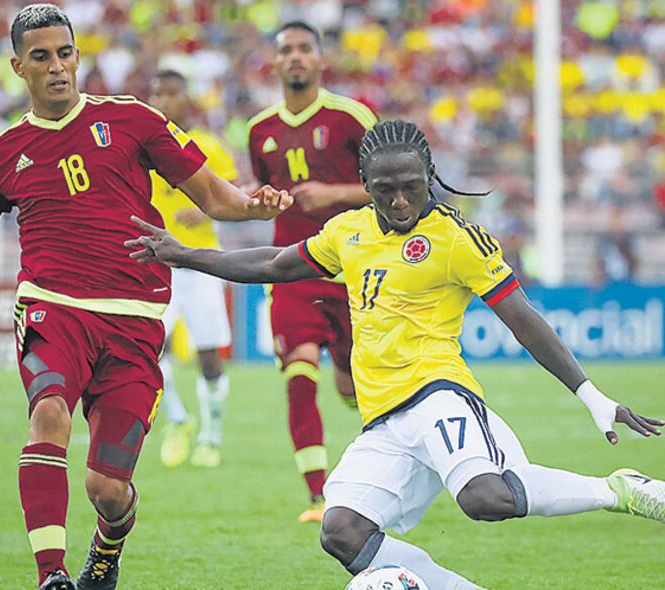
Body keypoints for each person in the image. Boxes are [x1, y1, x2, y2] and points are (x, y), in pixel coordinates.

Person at [127, 119, 665, 589]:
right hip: (383, 419)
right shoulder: (349, 231)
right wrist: (184, 254)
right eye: (385, 190)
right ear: (365, 186)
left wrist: (591, 395)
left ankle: (616, 489)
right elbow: (273, 264)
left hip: (437, 393)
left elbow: (523, 319)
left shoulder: (458, 238)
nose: (400, 201)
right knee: (342, 531)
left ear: (429, 177)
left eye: (411, 187)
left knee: (485, 500)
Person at [0, 5, 291, 590]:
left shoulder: (133, 120)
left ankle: (106, 547)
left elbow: (214, 199)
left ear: (78, 55)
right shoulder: (1, 154)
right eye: (41, 57)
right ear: (19, 66)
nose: (57, 67)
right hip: (51, 306)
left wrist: (254, 203)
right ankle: (52, 575)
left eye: (65, 53)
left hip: (135, 317)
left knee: (108, 490)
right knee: (47, 416)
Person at [246, 20, 377, 522]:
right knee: (299, 373)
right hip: (292, 269)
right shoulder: (260, 130)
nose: (296, 57)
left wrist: (333, 194)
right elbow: (265, 190)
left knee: (350, 388)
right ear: (275, 63)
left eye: (305, 49)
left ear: (321, 60)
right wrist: (262, 201)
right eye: (287, 50)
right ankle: (319, 497)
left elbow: (394, 186)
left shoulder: (352, 118)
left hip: (352, 271)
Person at [149, 69, 238, 469]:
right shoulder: (141, 147)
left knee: (208, 356)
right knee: (146, 348)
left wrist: (203, 208)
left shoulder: (208, 147)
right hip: (156, 266)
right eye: (157, 94)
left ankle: (211, 437)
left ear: (187, 100)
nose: (164, 102)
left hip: (201, 263)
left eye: (171, 94)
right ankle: (178, 419)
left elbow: (237, 197)